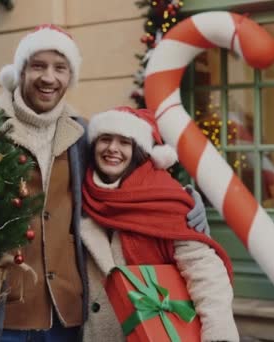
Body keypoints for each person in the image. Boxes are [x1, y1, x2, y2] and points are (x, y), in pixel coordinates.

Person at [0, 24, 208, 341]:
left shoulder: (83, 135)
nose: (49, 77)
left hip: (68, 314)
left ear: (70, 76)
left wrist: (184, 202)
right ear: (21, 71)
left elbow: (134, 183)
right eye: (38, 66)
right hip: (1, 314)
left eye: (60, 68)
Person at [81, 106, 240, 342]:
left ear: (138, 150)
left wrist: (218, 336)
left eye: (124, 142)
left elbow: (204, 271)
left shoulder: (165, 198)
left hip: (151, 333)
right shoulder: (80, 194)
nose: (113, 148)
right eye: (105, 139)